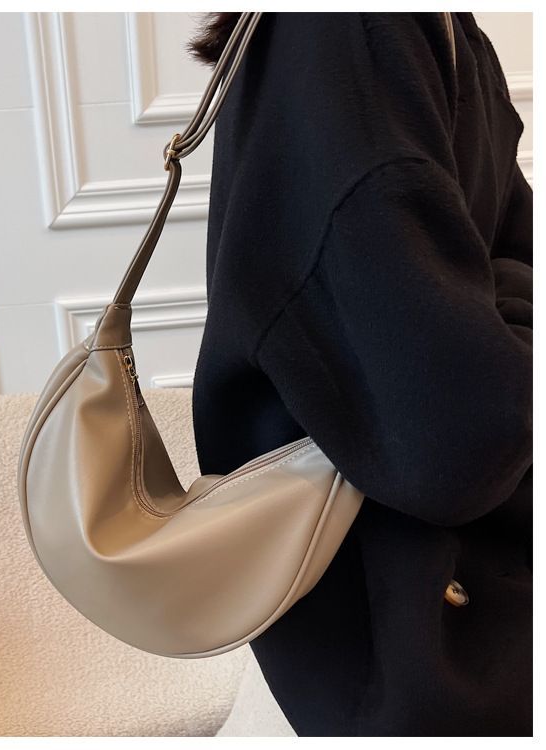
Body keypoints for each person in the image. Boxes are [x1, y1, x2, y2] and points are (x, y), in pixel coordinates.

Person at [187, 12, 532, 737]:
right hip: (407, 649)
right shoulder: (353, 35)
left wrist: (490, 310)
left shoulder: (440, 29)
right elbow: (452, 439)